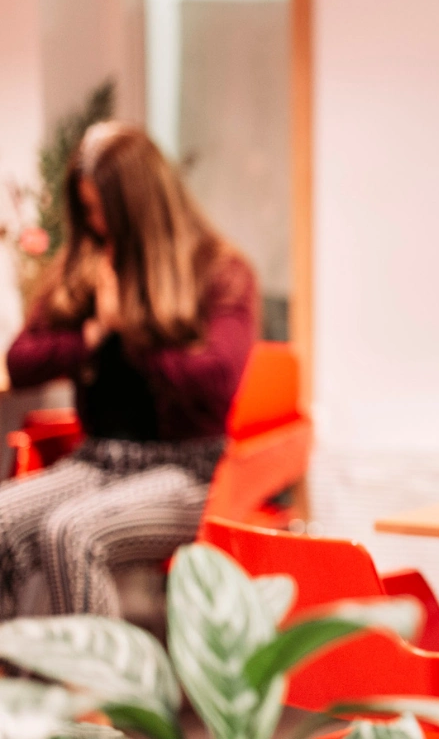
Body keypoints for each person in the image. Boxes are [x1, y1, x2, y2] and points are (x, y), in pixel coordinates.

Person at [0, 122, 258, 619]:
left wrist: (132, 331)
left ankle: (100, 691)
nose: (96, 225)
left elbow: (217, 382)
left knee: (72, 533)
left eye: (102, 211)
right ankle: (24, 685)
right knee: (4, 518)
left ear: (138, 206)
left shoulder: (217, 270)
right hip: (97, 461)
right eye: (88, 212)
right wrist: (93, 334)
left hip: (186, 470)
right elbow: (21, 360)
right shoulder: (92, 265)